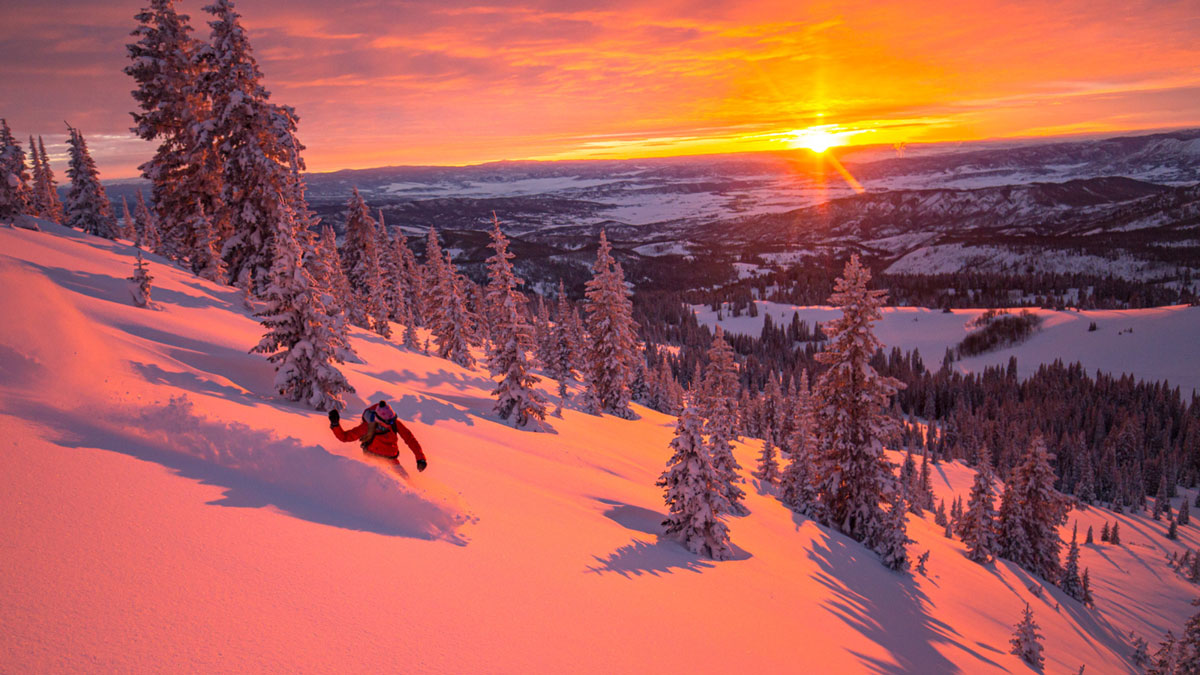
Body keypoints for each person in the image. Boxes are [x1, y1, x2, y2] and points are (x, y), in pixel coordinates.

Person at [330, 400, 427, 472]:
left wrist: (420, 458)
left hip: (392, 462)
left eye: (393, 419)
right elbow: (345, 437)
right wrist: (335, 425)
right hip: (372, 463)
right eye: (388, 421)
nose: (391, 423)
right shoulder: (368, 427)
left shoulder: (394, 424)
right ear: (379, 420)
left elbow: (410, 439)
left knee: (407, 487)